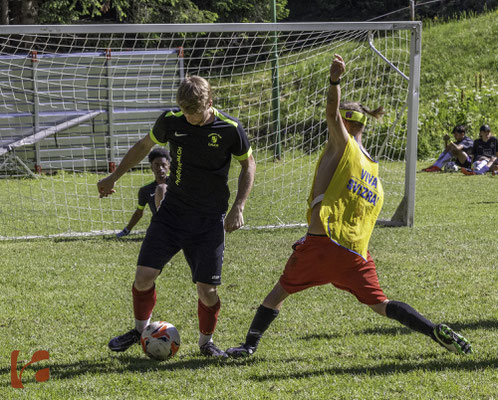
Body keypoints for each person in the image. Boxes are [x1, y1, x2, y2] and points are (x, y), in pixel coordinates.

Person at [226, 54, 472, 358]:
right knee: (381, 304)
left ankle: (249, 345)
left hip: (323, 243)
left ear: (344, 122)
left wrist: (334, 80)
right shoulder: (373, 169)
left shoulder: (342, 145)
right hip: (356, 252)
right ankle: (432, 330)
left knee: (280, 291)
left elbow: (331, 113)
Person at [98, 75, 256, 357]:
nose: (189, 118)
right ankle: (139, 330)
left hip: (208, 219)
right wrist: (115, 176)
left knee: (207, 291)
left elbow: (249, 165)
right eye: (184, 112)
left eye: (193, 113)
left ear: (209, 102)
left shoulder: (230, 128)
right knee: (143, 276)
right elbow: (144, 146)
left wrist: (239, 207)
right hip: (172, 213)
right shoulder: (171, 121)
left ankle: (206, 343)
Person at [115, 148, 171, 238]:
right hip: (160, 227)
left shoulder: (177, 183)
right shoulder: (145, 190)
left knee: (162, 188)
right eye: (156, 165)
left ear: (169, 166)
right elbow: (138, 213)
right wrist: (126, 230)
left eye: (163, 165)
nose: (160, 168)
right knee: (161, 188)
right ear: (151, 167)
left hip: (179, 223)